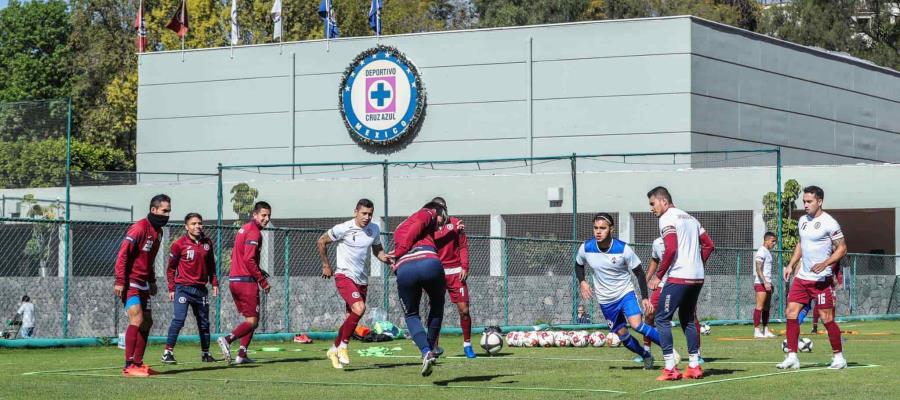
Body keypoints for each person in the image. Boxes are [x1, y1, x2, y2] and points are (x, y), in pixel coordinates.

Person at [576, 213, 662, 370]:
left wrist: (644, 297)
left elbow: (639, 272)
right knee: (623, 335)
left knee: (636, 325)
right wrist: (582, 281)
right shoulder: (586, 248)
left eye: (602, 228)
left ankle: (669, 350)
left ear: (611, 229)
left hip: (625, 293)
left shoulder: (623, 249)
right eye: (595, 228)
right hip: (606, 300)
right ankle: (646, 355)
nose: (598, 231)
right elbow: (578, 264)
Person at [647, 187, 715, 381]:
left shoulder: (667, 217)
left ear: (664, 201)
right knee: (687, 318)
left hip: (678, 276)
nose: (652, 208)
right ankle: (694, 366)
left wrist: (658, 276)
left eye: (653, 204)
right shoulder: (691, 219)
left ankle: (670, 368)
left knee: (661, 318)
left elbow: (670, 249)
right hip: (697, 277)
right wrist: (696, 264)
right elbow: (709, 244)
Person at [777, 186, 847, 370]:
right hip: (802, 278)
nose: (806, 205)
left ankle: (839, 357)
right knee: (791, 313)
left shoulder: (830, 223)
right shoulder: (802, 221)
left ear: (820, 202)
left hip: (821, 281)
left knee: (827, 318)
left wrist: (825, 263)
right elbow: (801, 244)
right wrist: (791, 264)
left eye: (809, 201)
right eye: (804, 201)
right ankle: (792, 356)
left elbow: (842, 248)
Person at [317, 198, 392, 369]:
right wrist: (326, 265)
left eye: (370, 214)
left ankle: (333, 350)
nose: (367, 217)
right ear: (355, 212)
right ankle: (343, 347)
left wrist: (385, 258)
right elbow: (321, 240)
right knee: (360, 308)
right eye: (364, 213)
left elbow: (377, 250)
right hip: (344, 275)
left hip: (362, 279)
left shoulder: (374, 229)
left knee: (350, 318)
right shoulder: (343, 228)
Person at [390, 201, 448, 377]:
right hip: (428, 261)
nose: (441, 224)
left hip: (404, 268)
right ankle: (430, 348)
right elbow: (418, 225)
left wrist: (397, 256)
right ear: (436, 210)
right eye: (442, 219)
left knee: (411, 315)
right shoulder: (427, 212)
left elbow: (409, 233)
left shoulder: (400, 227)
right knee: (437, 305)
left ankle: (426, 352)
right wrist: (401, 250)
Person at [115, 194, 170, 377]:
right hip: (130, 281)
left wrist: (152, 280)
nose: (167, 215)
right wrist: (120, 280)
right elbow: (123, 254)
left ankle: (138, 363)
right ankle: (129, 365)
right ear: (153, 210)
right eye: (164, 211)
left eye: (169, 211)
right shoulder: (139, 228)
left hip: (144, 283)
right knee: (136, 320)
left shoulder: (159, 232)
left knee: (147, 323)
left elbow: (150, 259)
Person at [217, 201, 272, 365]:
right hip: (246, 281)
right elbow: (248, 259)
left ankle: (242, 354)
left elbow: (238, 257)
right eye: (263, 215)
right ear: (254, 215)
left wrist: (259, 271)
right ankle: (227, 340)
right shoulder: (254, 232)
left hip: (235, 279)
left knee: (251, 319)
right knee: (252, 321)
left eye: (268, 215)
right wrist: (262, 281)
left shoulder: (244, 229)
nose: (266, 219)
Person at [162, 213, 219, 364]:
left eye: (199, 223)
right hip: (183, 289)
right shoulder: (178, 244)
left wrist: (214, 283)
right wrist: (172, 288)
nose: (197, 226)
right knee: (179, 319)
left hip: (201, 290)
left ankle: (206, 353)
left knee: (204, 322)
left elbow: (211, 266)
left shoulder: (207, 243)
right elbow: (170, 269)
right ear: (186, 227)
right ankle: (167, 352)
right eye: (193, 224)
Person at [430, 197, 476, 359]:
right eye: (435, 210)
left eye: (441, 209)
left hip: (456, 272)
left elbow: (463, 246)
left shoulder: (457, 224)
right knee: (436, 311)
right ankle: (433, 347)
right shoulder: (428, 228)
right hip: (436, 273)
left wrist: (465, 267)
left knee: (464, 310)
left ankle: (467, 345)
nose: (438, 213)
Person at [642, 237, 700, 364]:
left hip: (682, 283)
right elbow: (655, 260)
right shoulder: (657, 242)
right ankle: (646, 352)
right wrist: (646, 279)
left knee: (690, 317)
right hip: (663, 284)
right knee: (649, 314)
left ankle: (697, 354)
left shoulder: (686, 240)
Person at [753, 232, 777, 339]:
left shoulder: (768, 252)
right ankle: (757, 331)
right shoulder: (761, 251)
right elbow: (758, 268)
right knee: (759, 306)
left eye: (775, 241)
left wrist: (769, 283)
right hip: (761, 283)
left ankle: (766, 330)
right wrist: (765, 282)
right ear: (766, 240)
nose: (774, 243)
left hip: (767, 283)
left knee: (767, 307)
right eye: (772, 241)